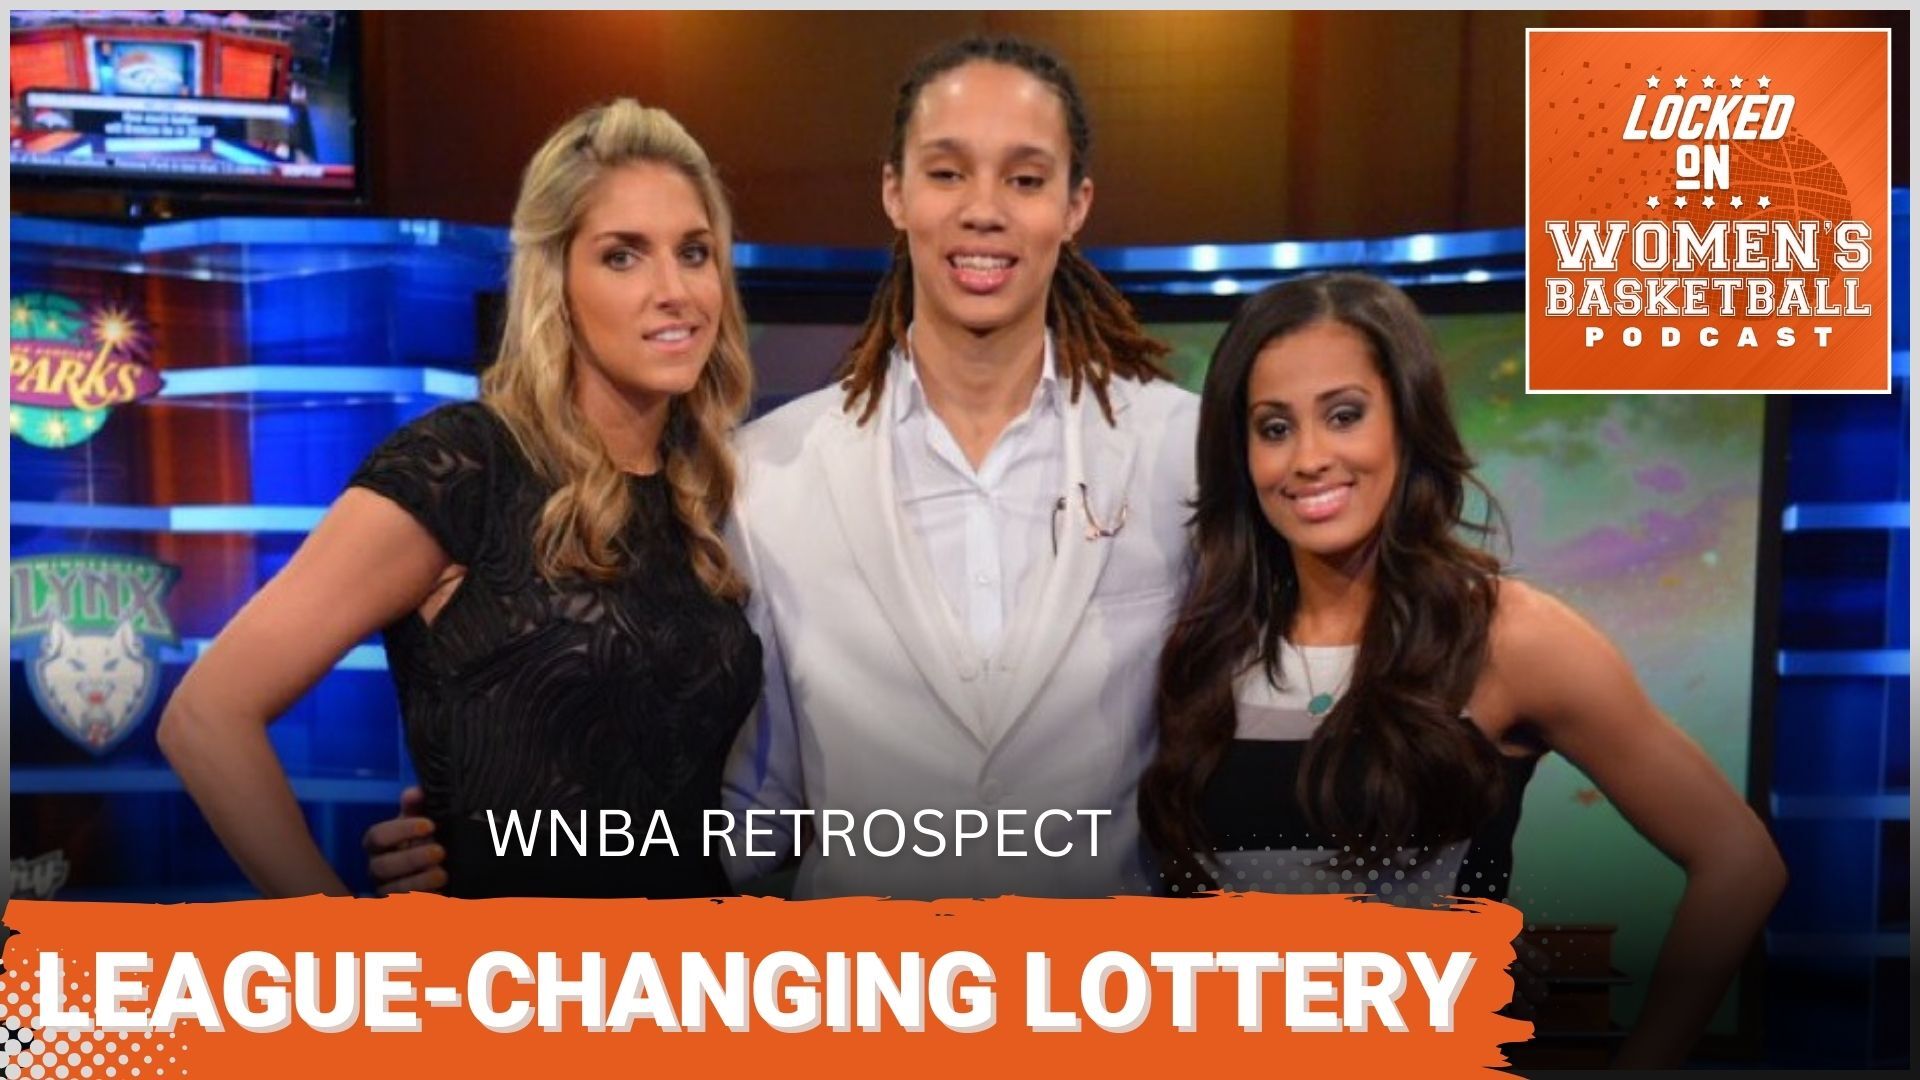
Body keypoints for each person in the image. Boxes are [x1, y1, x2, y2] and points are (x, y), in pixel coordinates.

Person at [364, 36, 1198, 899]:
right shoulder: (763, 475)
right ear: (894, 191)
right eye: (947, 173)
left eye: (1025, 179)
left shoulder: (1180, 450)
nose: (983, 210)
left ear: (1076, 204)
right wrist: (494, 835)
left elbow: (1254, 733)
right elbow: (736, 795)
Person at [1138, 273, 1785, 1066]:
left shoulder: (1506, 637)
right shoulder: (1199, 644)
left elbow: (1740, 860)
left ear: (1407, 422)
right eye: (1274, 427)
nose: (1307, 458)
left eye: (1344, 416)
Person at [158, 99, 761, 899]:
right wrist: (350, 953)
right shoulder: (465, 466)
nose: (674, 290)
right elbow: (206, 717)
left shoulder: (710, 492)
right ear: (557, 282)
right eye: (623, 257)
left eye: (694, 252)